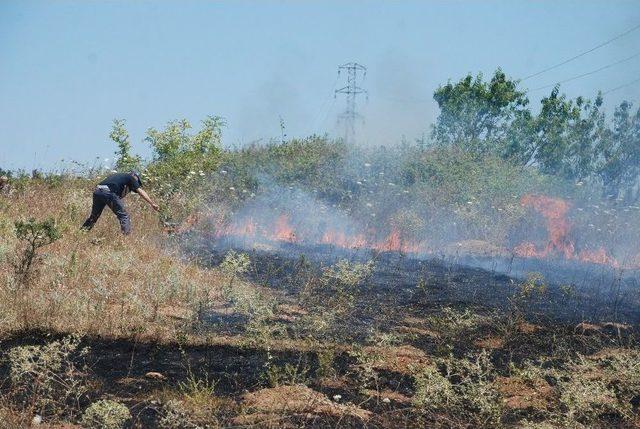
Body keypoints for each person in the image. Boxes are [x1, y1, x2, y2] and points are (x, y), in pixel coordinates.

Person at [81, 171, 159, 235]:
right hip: (108, 192)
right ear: (135, 177)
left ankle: (81, 233)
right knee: (124, 216)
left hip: (97, 191)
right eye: (136, 181)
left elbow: (117, 194)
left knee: (94, 217)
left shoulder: (119, 176)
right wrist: (152, 203)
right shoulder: (131, 177)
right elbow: (140, 191)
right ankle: (126, 239)